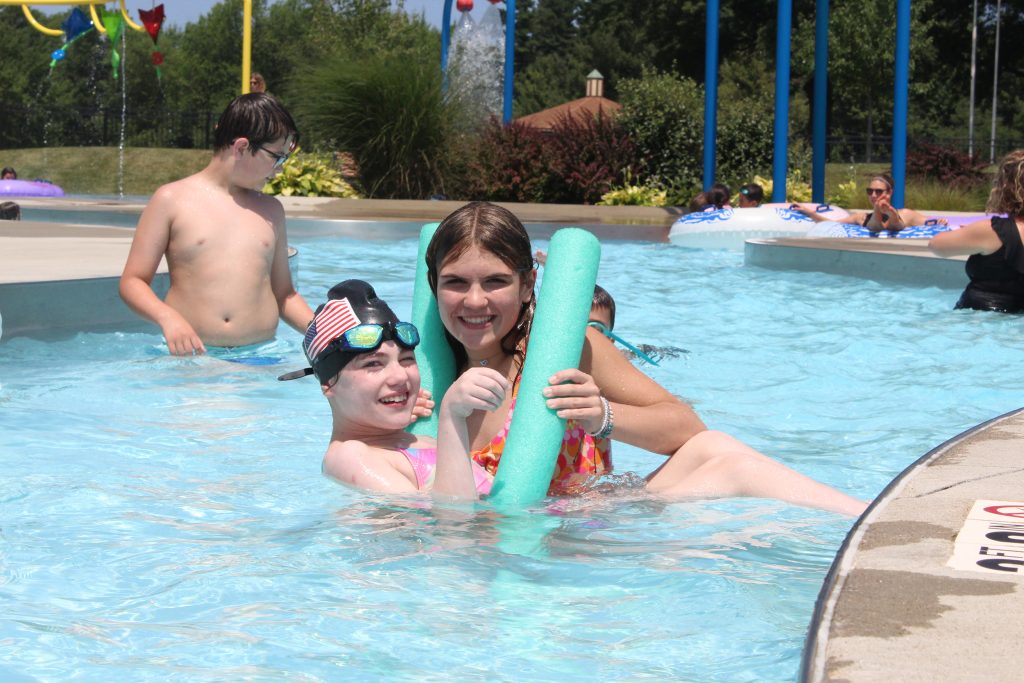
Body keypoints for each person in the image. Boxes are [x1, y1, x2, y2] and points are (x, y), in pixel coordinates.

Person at [425, 201, 868, 515]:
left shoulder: (566, 350)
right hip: (506, 548)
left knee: (715, 448)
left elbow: (687, 428)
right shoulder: (417, 370)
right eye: (456, 282)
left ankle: (868, 519)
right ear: (433, 285)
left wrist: (601, 415)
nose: (475, 301)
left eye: (496, 281)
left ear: (526, 286)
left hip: (595, 530)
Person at [120, 93, 313, 355]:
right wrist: (168, 317)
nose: (279, 169)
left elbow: (284, 294)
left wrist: (324, 334)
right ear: (242, 147)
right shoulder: (171, 200)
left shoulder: (271, 211)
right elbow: (133, 281)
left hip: (263, 354)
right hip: (193, 357)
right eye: (277, 157)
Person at [278, 279, 493, 499]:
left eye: (406, 359)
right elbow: (453, 516)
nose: (400, 376)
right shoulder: (348, 457)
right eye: (373, 364)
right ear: (328, 384)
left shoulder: (416, 441)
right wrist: (452, 416)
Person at [929, 149, 1024, 313]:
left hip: (977, 319)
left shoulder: (991, 230)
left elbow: (936, 246)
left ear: (1005, 187)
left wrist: (971, 233)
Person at [794, 173, 943, 231]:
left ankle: (890, 216)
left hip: (897, 222)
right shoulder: (861, 217)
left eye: (878, 191)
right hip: (873, 223)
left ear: (889, 192)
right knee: (874, 223)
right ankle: (880, 212)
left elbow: (929, 222)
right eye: (870, 191)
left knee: (895, 223)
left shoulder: (907, 214)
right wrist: (808, 212)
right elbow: (831, 223)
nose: (873, 195)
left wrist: (939, 221)